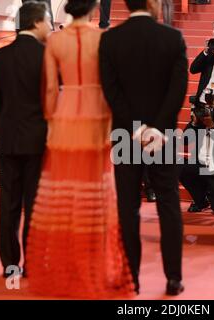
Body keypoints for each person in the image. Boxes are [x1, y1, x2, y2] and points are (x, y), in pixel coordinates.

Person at [26, 0, 134, 298]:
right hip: (96, 116)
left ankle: (67, 260)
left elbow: (49, 87)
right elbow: (112, 84)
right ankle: (93, 261)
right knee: (95, 190)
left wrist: (51, 118)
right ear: (95, 8)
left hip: (64, 115)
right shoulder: (101, 38)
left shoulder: (55, 40)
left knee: (64, 190)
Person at [99, 0, 188, 296]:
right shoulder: (172, 38)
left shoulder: (110, 39)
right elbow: (178, 89)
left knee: (128, 208)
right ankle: (174, 278)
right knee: (169, 205)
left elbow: (110, 90)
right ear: (151, 4)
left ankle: (131, 279)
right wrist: (157, 128)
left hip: (126, 135)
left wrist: (137, 128)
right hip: (163, 137)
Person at [0, 1, 51, 278]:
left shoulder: (0, 57)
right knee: (34, 204)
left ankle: (9, 264)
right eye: (48, 21)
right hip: (38, 140)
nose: (50, 26)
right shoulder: (47, 56)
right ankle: (32, 262)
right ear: (36, 22)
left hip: (7, 138)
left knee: (9, 203)